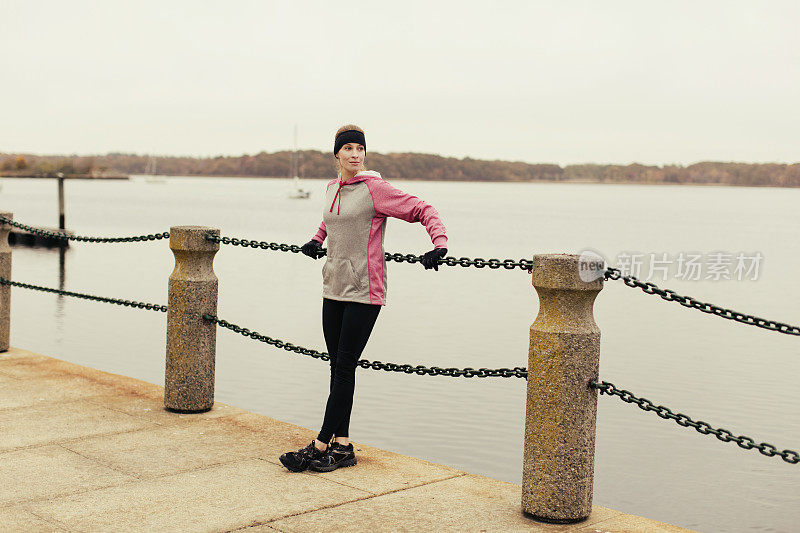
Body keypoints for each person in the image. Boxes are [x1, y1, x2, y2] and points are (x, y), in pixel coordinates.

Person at [279, 124, 449, 473]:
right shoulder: (332, 188)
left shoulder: (375, 189)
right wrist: (315, 239)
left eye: (360, 148)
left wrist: (439, 244)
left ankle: (320, 444)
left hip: (364, 291)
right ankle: (342, 447)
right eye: (349, 149)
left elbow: (422, 209)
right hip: (333, 287)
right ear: (337, 155)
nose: (355, 154)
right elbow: (332, 220)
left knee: (343, 368)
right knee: (338, 368)